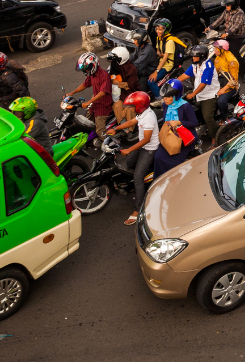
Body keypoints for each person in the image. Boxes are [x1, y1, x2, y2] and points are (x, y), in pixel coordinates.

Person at [111, 91, 161, 227]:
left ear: (139, 106)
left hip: (149, 148)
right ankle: (137, 184)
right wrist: (116, 129)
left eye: (132, 107)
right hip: (142, 145)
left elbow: (146, 139)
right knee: (128, 164)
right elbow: (132, 121)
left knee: (138, 177)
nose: (131, 109)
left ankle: (138, 209)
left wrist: (129, 149)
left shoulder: (149, 117)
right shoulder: (142, 113)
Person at [179, 44, 220, 146]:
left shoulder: (208, 66)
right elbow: (185, 75)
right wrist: (173, 83)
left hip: (209, 95)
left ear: (202, 57)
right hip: (198, 93)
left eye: (195, 56)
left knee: (208, 118)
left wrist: (193, 94)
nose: (193, 58)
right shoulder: (195, 64)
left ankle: (214, 139)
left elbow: (203, 84)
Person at [64, 52, 113, 137]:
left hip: (103, 106)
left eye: (86, 69)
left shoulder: (104, 75)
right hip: (94, 104)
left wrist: (88, 102)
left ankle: (109, 145)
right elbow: (85, 85)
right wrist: (72, 93)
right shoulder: (91, 75)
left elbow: (103, 92)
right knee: (85, 123)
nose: (85, 71)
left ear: (93, 66)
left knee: (100, 131)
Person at [147, 19, 182, 89]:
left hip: (167, 65)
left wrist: (156, 72)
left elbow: (165, 58)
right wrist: (160, 55)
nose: (157, 31)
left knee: (150, 82)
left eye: (160, 29)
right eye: (156, 29)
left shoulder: (169, 42)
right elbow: (158, 52)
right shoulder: (159, 38)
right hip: (160, 62)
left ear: (166, 30)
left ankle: (159, 97)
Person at [212, 39, 241, 121]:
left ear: (222, 50)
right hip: (221, 84)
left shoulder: (232, 61)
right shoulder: (217, 59)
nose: (214, 51)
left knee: (221, 101)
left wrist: (223, 90)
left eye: (216, 49)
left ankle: (225, 118)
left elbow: (234, 80)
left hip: (231, 88)